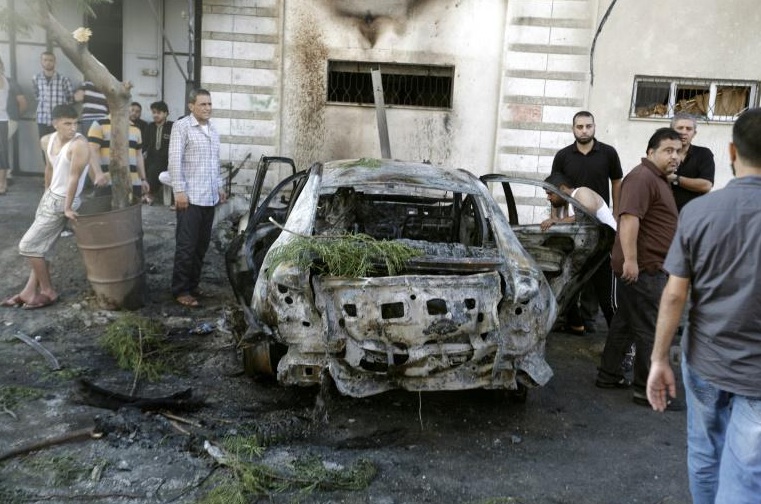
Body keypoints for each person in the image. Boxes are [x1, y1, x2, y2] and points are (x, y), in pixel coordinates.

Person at [646, 109, 761, 504]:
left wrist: (659, 359)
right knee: (748, 471)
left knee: (705, 453)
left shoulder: (697, 212)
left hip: (705, 360)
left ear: (732, 150)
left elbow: (675, 294)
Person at [595, 128, 681, 406]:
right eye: (668, 150)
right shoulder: (642, 178)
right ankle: (647, 389)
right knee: (650, 328)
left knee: (626, 324)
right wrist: (631, 260)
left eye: (678, 151)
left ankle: (608, 374)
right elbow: (629, 219)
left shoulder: (657, 179)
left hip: (647, 267)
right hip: (644, 268)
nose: (675, 156)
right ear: (650, 152)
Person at [0, 105, 89, 309]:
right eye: (67, 123)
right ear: (55, 123)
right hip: (50, 197)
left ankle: (48, 291)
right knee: (42, 247)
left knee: (28, 246)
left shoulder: (79, 144)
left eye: (75, 123)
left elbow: (74, 178)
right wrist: (46, 193)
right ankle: (28, 292)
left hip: (65, 200)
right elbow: (49, 168)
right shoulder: (47, 140)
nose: (72, 127)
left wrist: (67, 207)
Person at [551, 110, 624, 333]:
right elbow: (556, 189)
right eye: (579, 126)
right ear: (573, 129)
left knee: (597, 273)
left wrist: (617, 215)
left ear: (594, 127)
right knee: (575, 270)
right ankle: (573, 319)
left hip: (599, 225)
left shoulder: (608, 153)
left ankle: (590, 320)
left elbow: (617, 183)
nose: (584, 130)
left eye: (588, 126)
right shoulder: (563, 156)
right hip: (575, 226)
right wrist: (556, 219)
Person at [169, 88, 226, 307]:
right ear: (191, 106)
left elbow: (215, 163)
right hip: (190, 198)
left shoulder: (212, 130)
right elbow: (174, 161)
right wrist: (179, 191)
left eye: (209, 104)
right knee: (186, 246)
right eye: (203, 104)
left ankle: (193, 286)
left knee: (201, 246)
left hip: (209, 198)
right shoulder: (181, 127)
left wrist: (219, 187)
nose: (207, 108)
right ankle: (180, 290)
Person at [541, 173, 616, 332]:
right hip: (594, 253)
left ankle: (623, 344)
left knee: (608, 301)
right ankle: (576, 324)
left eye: (550, 193)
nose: (548, 198)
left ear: (561, 188)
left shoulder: (581, 193)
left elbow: (586, 214)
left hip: (609, 252)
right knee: (568, 285)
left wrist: (558, 221)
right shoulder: (567, 206)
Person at [87, 114, 149, 200]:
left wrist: (143, 179)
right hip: (107, 182)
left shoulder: (136, 128)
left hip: (133, 183)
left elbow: (138, 156)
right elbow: (91, 151)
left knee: (132, 212)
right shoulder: (99, 124)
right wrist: (98, 174)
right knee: (107, 212)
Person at [667, 112, 715, 212]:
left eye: (689, 129)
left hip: (694, 216)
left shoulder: (704, 154)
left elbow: (706, 185)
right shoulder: (662, 153)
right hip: (665, 216)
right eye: (680, 128)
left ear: (694, 133)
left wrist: (675, 179)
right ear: (671, 131)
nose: (684, 132)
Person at [0, 56, 28, 195]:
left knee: (2, 148)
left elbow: (22, 103)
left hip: (8, 119)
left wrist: (15, 117)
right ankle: (6, 177)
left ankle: (4, 180)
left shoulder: (11, 82)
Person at [33, 51, 74, 139]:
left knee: (59, 146)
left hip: (59, 119)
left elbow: (70, 99)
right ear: (41, 62)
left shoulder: (64, 80)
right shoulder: (36, 78)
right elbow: (36, 96)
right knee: (44, 146)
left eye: (50, 60)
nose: (48, 62)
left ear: (55, 62)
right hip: (42, 118)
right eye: (45, 60)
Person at [144, 100, 173, 205]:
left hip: (166, 160)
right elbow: (145, 145)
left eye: (158, 112)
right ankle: (143, 193)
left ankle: (149, 194)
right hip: (151, 158)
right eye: (154, 112)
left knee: (154, 169)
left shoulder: (172, 127)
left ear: (165, 113)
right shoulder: (150, 127)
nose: (155, 115)